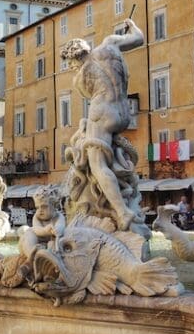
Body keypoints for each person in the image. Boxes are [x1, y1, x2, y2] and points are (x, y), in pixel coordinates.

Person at [60, 17, 145, 232]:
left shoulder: (79, 76)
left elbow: (88, 93)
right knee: (108, 156)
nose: (71, 68)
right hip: (123, 112)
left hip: (102, 113)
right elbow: (138, 38)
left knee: (97, 165)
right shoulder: (110, 44)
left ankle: (122, 211)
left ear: (73, 59)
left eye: (70, 64)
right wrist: (131, 24)